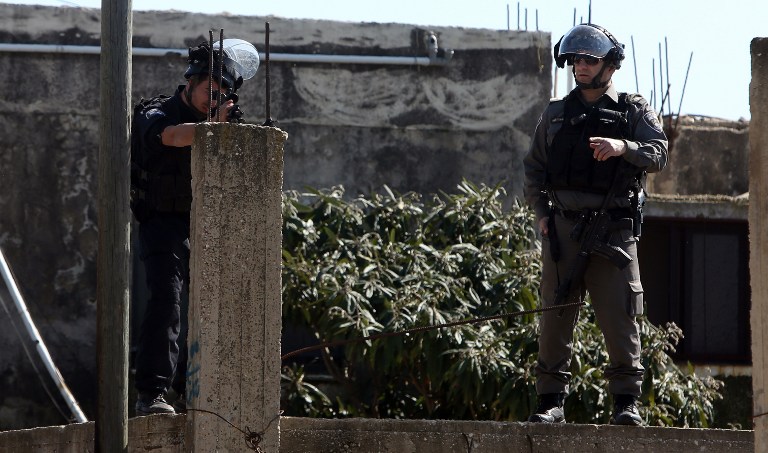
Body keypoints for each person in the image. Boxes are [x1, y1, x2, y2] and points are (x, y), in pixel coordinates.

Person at [522, 23, 668, 425]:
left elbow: (659, 153)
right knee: (555, 315)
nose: (581, 66)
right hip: (563, 231)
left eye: (590, 59)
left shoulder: (633, 110)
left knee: (620, 316)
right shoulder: (555, 114)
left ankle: (626, 403)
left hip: (614, 231)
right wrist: (540, 214)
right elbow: (533, 168)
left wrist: (624, 147)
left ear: (610, 65)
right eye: (576, 60)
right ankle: (551, 401)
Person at [130, 40, 245, 415]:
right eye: (211, 91)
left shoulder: (221, 120)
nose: (215, 100)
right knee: (167, 300)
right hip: (162, 222)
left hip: (205, 222)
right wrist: (212, 128)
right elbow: (174, 137)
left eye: (222, 95)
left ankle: (197, 390)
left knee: (220, 303)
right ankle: (151, 394)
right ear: (191, 82)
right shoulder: (156, 111)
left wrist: (228, 132)